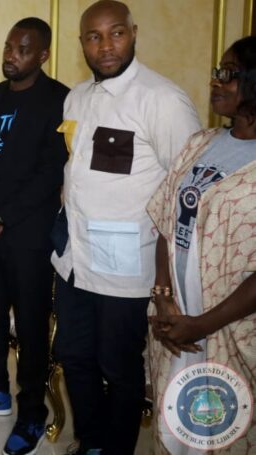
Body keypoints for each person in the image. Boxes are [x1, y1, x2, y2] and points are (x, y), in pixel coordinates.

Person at [50, 0, 201, 454]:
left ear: (134, 33)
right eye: (94, 37)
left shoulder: (162, 100)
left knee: (118, 366)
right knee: (73, 355)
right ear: (82, 44)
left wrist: (169, 278)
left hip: (125, 266)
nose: (106, 45)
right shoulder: (76, 96)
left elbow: (186, 190)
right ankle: (90, 442)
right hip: (73, 258)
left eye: (116, 33)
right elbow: (75, 167)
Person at [146, 36, 256, 453]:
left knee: (224, 428)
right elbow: (164, 220)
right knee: (177, 422)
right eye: (217, 72)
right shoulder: (199, 144)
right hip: (176, 317)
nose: (216, 82)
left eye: (230, 75)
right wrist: (163, 297)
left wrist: (204, 323)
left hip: (230, 327)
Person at [0, 17, 69, 455]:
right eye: (9, 47)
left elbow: (51, 173)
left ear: (42, 54)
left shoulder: (59, 99)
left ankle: (31, 413)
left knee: (30, 327)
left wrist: (0, 218)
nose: (11, 55)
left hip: (28, 237)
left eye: (22, 49)